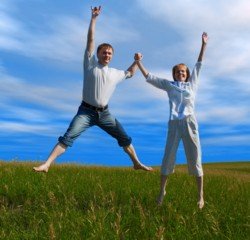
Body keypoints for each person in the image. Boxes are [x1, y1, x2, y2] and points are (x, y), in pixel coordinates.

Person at [33, 6, 153, 173]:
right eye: (104, 52)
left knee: (124, 138)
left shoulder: (115, 73)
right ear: (97, 54)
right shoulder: (90, 64)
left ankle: (136, 163)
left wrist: (136, 61)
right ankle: (46, 164)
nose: (107, 55)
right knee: (68, 137)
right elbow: (90, 40)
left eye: (110, 53)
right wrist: (94, 19)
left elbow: (131, 73)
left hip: (105, 114)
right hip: (85, 112)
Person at [134, 32, 208, 209]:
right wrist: (138, 62)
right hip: (174, 124)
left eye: (183, 71)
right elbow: (150, 77)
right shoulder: (169, 85)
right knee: (167, 159)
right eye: (178, 71)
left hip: (190, 123)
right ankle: (162, 192)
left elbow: (199, 64)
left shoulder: (192, 84)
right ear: (174, 74)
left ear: (186, 74)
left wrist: (203, 45)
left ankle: (200, 196)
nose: (181, 73)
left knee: (195, 158)